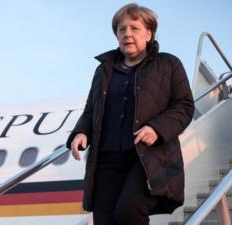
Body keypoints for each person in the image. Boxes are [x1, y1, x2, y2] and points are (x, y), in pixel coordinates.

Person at [66, 3, 194, 225]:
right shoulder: (103, 70)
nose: (127, 34)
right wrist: (81, 132)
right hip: (106, 159)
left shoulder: (168, 64)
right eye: (121, 29)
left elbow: (184, 106)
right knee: (105, 220)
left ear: (148, 33)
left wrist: (157, 128)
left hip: (146, 158)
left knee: (128, 211)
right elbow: (91, 110)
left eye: (134, 28)